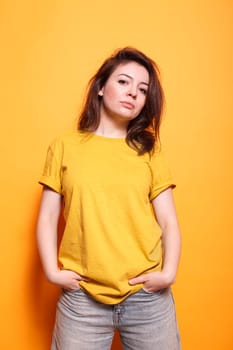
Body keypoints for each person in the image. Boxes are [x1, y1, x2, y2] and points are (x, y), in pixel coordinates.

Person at [37, 47, 181, 350]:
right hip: (82, 299)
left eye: (143, 90)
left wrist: (168, 273)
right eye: (124, 82)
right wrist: (52, 270)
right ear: (101, 87)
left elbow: (168, 220)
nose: (133, 94)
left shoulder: (150, 149)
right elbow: (48, 216)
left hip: (146, 296)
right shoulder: (65, 145)